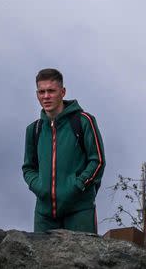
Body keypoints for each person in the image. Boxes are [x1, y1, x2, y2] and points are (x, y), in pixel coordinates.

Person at [22, 68, 105, 233]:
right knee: (41, 259)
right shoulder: (34, 129)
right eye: (42, 92)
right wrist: (39, 187)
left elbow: (97, 161)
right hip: (44, 215)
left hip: (79, 211)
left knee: (84, 259)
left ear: (62, 92)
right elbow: (28, 168)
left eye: (51, 91)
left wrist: (77, 185)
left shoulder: (84, 121)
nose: (46, 96)